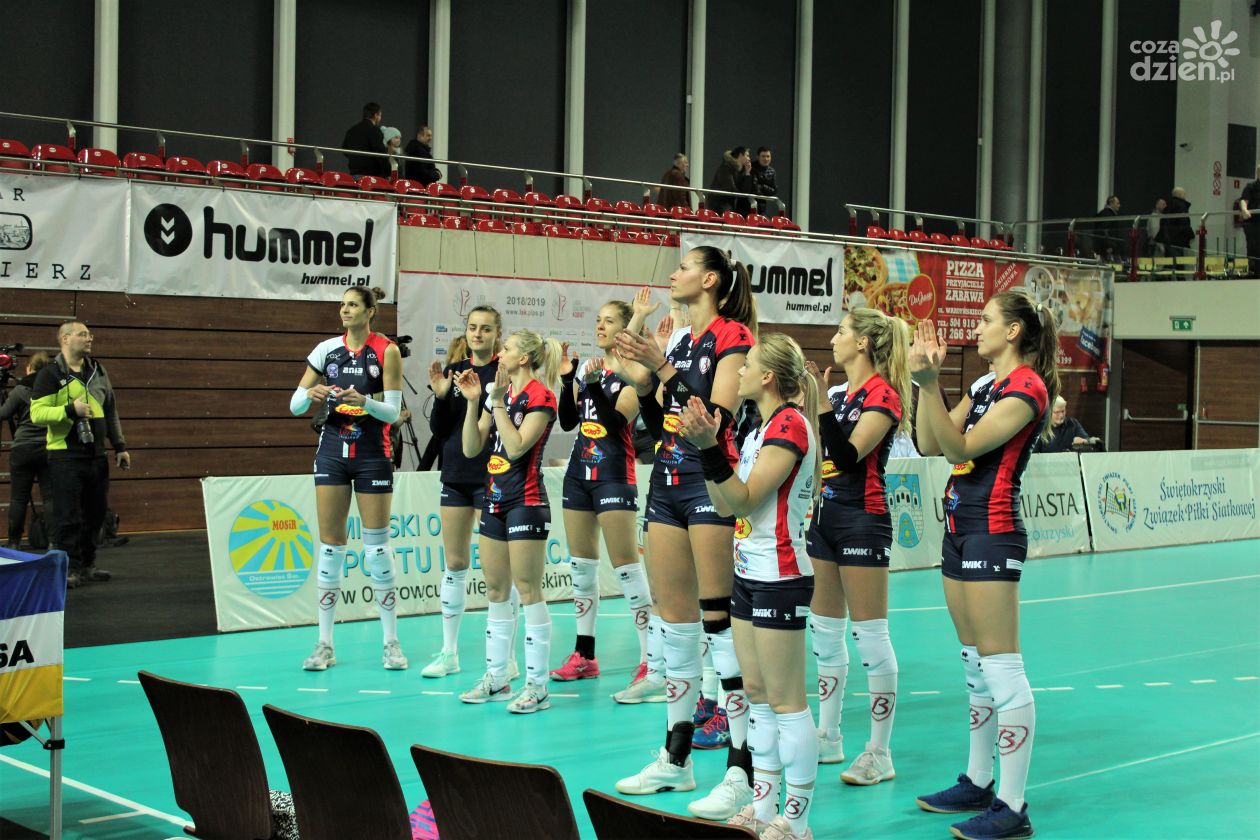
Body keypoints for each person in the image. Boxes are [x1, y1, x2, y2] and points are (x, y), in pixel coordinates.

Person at [612, 245, 759, 822]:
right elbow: (659, 423)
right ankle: (676, 759)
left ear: (711, 279)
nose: (673, 274)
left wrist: (663, 369)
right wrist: (648, 378)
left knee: (719, 626)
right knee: (674, 629)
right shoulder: (676, 339)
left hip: (709, 485)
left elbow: (715, 421)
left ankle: (741, 771)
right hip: (666, 483)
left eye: (684, 266)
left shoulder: (734, 337)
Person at [909, 291, 1059, 840]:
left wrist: (930, 384)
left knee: (1002, 669)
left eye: (986, 319)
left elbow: (960, 449)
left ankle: (1012, 806)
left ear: (1014, 331)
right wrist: (924, 383)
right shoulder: (984, 386)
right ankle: (977, 779)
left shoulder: (1027, 389)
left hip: (993, 532)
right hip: (958, 529)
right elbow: (928, 442)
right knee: (975, 664)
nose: (977, 327)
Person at [679, 333, 820, 840]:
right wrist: (710, 449)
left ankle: (796, 822)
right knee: (758, 697)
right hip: (748, 573)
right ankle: (763, 810)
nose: (737, 371)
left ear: (767, 376)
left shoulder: (790, 424)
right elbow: (724, 504)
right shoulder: (760, 428)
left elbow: (745, 499)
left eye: (747, 365)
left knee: (786, 701)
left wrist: (709, 448)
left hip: (780, 576)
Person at [803, 308, 913, 788]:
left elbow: (848, 456)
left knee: (870, 637)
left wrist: (822, 408)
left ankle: (879, 752)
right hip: (825, 518)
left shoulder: (883, 395)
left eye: (842, 331)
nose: (834, 338)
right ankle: (828, 735)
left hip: (862, 522)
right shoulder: (837, 394)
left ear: (864, 342)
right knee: (825, 633)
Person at [290, 287, 406, 672]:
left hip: (373, 455)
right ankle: (324, 644)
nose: (345, 310)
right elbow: (294, 405)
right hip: (332, 455)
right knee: (331, 548)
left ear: (370, 312)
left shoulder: (386, 351)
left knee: (377, 550)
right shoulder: (326, 350)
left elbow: (393, 412)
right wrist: (311, 394)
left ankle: (391, 642)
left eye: (353, 305)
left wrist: (365, 402)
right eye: (342, 305)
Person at [551, 297, 655, 693]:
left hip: (613, 475)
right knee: (581, 568)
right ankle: (585, 655)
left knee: (627, 568)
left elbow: (613, 423)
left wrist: (593, 385)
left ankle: (650, 659)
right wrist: (568, 380)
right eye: (598, 319)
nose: (599, 326)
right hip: (578, 474)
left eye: (608, 321)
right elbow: (568, 421)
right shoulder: (588, 369)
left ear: (624, 330)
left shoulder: (633, 373)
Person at [456, 329, 562, 714]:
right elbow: (471, 448)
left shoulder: (541, 396)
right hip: (494, 499)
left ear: (523, 358)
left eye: (507, 348)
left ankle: (537, 686)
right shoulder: (496, 395)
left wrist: (497, 402)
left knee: (528, 590)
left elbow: (516, 448)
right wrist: (475, 402)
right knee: (496, 590)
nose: (499, 353)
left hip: (526, 501)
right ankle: (497, 678)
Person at [422, 308, 504, 678]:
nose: (478, 334)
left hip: (492, 477)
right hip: (455, 475)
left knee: (496, 572)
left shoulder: (504, 372)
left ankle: (505, 657)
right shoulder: (454, 371)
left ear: (497, 333)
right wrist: (442, 395)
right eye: (472, 328)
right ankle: (448, 653)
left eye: (485, 329)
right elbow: (440, 431)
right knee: (454, 564)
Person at [30, 323, 129, 588]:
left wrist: (119, 445)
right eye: (82, 334)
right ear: (65, 339)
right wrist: (69, 410)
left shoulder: (98, 371)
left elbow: (111, 410)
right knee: (68, 517)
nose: (89, 339)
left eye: (90, 335)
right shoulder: (50, 374)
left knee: (95, 515)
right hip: (65, 457)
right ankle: (70, 569)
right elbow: (37, 414)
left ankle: (87, 564)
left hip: (97, 456)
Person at [2, 352, 53, 549]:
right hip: (48, 447)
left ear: (29, 368)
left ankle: (14, 542)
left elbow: (3, 413)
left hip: (23, 448)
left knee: (18, 497)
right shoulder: (52, 389)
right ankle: (53, 542)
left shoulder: (20, 390)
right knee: (50, 497)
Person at [342, 102, 390, 178]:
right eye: (380, 115)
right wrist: (388, 172)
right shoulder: (374, 130)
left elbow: (345, 150)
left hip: (354, 172)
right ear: (376, 115)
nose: (380, 118)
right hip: (371, 175)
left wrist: (356, 158)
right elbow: (381, 153)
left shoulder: (352, 130)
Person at [707, 147, 753, 215]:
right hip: (719, 204)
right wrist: (742, 194)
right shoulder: (726, 168)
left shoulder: (741, 171)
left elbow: (745, 191)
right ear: (740, 155)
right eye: (747, 155)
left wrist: (747, 173)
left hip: (729, 204)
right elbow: (730, 189)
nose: (749, 159)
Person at [1159, 187, 1194, 257]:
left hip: (1168, 240)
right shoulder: (1182, 206)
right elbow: (1184, 222)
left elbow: (1163, 222)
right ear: (1180, 195)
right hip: (1179, 240)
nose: (1185, 196)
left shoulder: (1167, 206)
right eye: (1184, 194)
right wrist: (1191, 235)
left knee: (1169, 260)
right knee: (1178, 260)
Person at [1239, 164, 1260, 278]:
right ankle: (1254, 274)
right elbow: (1244, 200)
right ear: (1258, 173)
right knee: (1253, 249)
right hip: (1253, 223)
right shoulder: (1250, 187)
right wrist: (1244, 209)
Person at [751, 147, 778, 216]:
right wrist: (765, 189)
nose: (766, 159)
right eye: (763, 156)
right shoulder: (751, 167)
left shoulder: (772, 171)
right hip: (748, 204)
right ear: (758, 157)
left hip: (762, 206)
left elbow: (774, 190)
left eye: (768, 156)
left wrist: (763, 186)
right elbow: (754, 188)